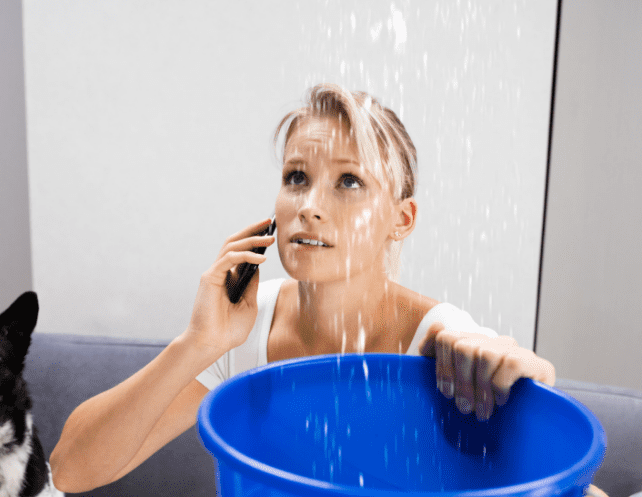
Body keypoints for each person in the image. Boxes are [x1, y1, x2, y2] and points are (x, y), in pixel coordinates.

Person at [49, 83, 558, 493]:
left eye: (349, 181)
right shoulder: (246, 326)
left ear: (400, 220)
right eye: (296, 177)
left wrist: (525, 380)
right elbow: (72, 471)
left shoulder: (439, 342)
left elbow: (563, 475)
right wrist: (197, 344)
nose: (309, 205)